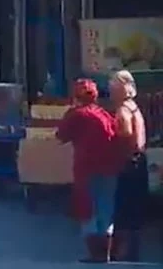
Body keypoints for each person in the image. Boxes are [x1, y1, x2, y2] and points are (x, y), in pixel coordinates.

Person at [56, 78, 122, 263]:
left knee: (87, 210)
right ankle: (106, 253)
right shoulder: (104, 114)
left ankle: (94, 253)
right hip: (110, 168)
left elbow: (61, 136)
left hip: (87, 169)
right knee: (105, 209)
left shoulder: (76, 114)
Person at [110, 69, 148, 262]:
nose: (111, 92)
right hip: (140, 160)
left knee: (124, 209)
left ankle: (122, 253)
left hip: (128, 162)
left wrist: (111, 140)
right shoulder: (135, 107)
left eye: (113, 88)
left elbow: (124, 133)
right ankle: (133, 251)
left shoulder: (123, 110)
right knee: (135, 209)